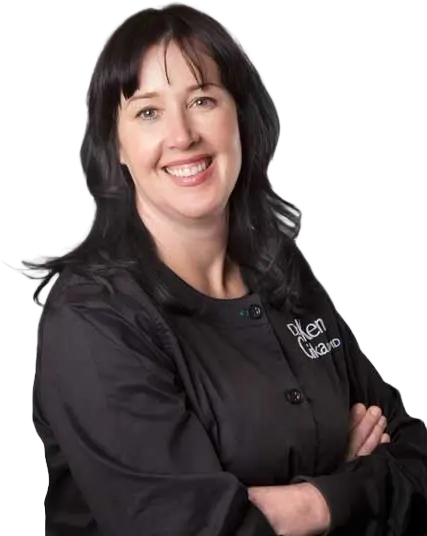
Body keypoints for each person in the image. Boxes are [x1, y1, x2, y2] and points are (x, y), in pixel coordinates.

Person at [22, 2, 427, 535]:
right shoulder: (92, 318)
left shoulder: (280, 269)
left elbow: (417, 458)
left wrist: (308, 505)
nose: (182, 134)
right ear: (114, 144)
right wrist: (350, 488)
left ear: (240, 116)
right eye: (148, 112)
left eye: (203, 100)